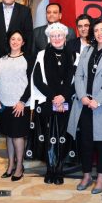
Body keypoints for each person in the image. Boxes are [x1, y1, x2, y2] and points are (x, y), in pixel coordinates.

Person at [68, 18, 102, 194]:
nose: (99, 33)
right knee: (86, 142)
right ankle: (86, 175)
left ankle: (100, 177)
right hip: (85, 103)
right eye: (97, 30)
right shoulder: (87, 50)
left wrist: (97, 100)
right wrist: (82, 96)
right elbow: (79, 75)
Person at [30, 23, 76, 184]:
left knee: (63, 137)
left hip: (66, 103)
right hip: (48, 102)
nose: (57, 38)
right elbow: (37, 79)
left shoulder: (74, 56)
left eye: (59, 35)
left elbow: (77, 81)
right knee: (49, 137)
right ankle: (50, 170)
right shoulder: (41, 55)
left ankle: (59, 170)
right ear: (49, 38)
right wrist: (54, 97)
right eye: (53, 36)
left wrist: (63, 97)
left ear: (65, 37)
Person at [0, 30, 32, 181]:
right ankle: (10, 165)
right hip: (4, 104)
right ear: (9, 41)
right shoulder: (2, 59)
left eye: (18, 39)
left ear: (23, 42)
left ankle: (19, 166)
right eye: (12, 39)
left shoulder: (28, 58)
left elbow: (32, 82)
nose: (15, 42)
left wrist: (22, 101)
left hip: (20, 105)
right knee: (9, 135)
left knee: (17, 136)